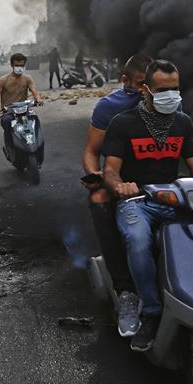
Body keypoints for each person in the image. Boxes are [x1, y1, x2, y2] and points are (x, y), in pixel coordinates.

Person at [102, 60, 193, 349]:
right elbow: (110, 170)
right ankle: (151, 312)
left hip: (175, 198)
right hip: (138, 201)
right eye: (162, 90)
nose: (170, 95)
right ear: (146, 90)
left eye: (175, 89)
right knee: (138, 239)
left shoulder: (182, 122)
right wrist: (120, 185)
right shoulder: (124, 123)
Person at [81, 54, 153, 336]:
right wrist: (96, 176)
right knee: (99, 199)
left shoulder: (170, 105)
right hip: (120, 181)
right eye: (141, 84)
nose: (147, 91)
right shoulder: (110, 108)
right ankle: (125, 291)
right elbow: (91, 151)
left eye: (152, 84)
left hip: (159, 181)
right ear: (126, 81)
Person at [0, 53, 44, 148]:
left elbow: (34, 91)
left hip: (25, 110)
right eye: (17, 65)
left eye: (22, 65)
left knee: (35, 120)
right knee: (7, 122)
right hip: (9, 112)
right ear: (12, 65)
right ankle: (10, 147)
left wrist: (38, 98)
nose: (19, 68)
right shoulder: (3, 80)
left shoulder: (27, 79)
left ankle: (37, 145)